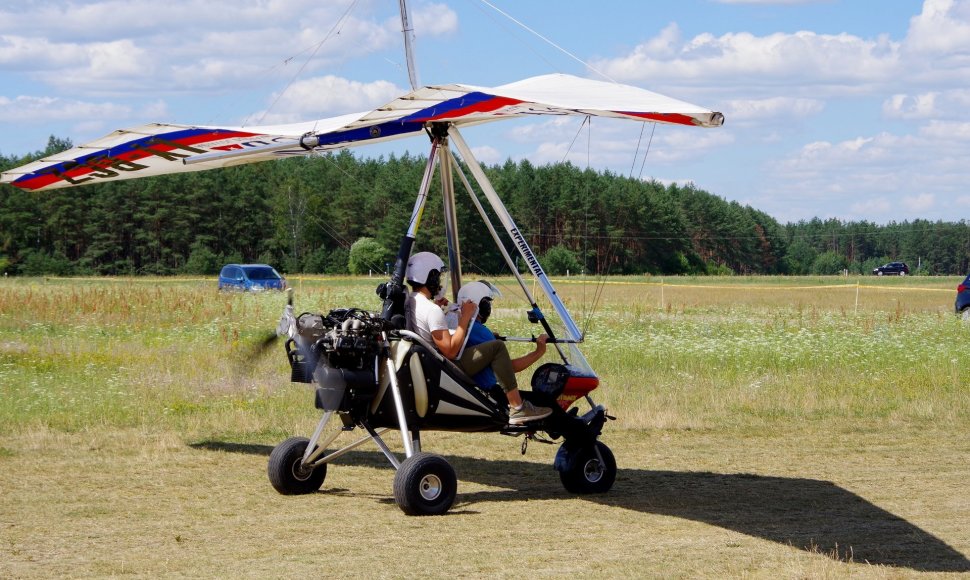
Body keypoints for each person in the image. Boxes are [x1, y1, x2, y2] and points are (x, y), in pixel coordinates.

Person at [404, 252, 553, 424]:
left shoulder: (411, 302)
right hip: (444, 368)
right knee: (497, 346)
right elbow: (450, 351)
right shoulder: (431, 310)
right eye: (437, 276)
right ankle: (517, 407)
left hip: (429, 365)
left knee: (493, 345)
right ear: (429, 276)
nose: (439, 281)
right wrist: (466, 317)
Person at [455, 280, 549, 390]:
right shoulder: (480, 332)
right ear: (483, 306)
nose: (489, 307)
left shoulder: (460, 325)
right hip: (489, 392)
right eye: (488, 303)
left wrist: (490, 339)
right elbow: (510, 367)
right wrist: (539, 351)